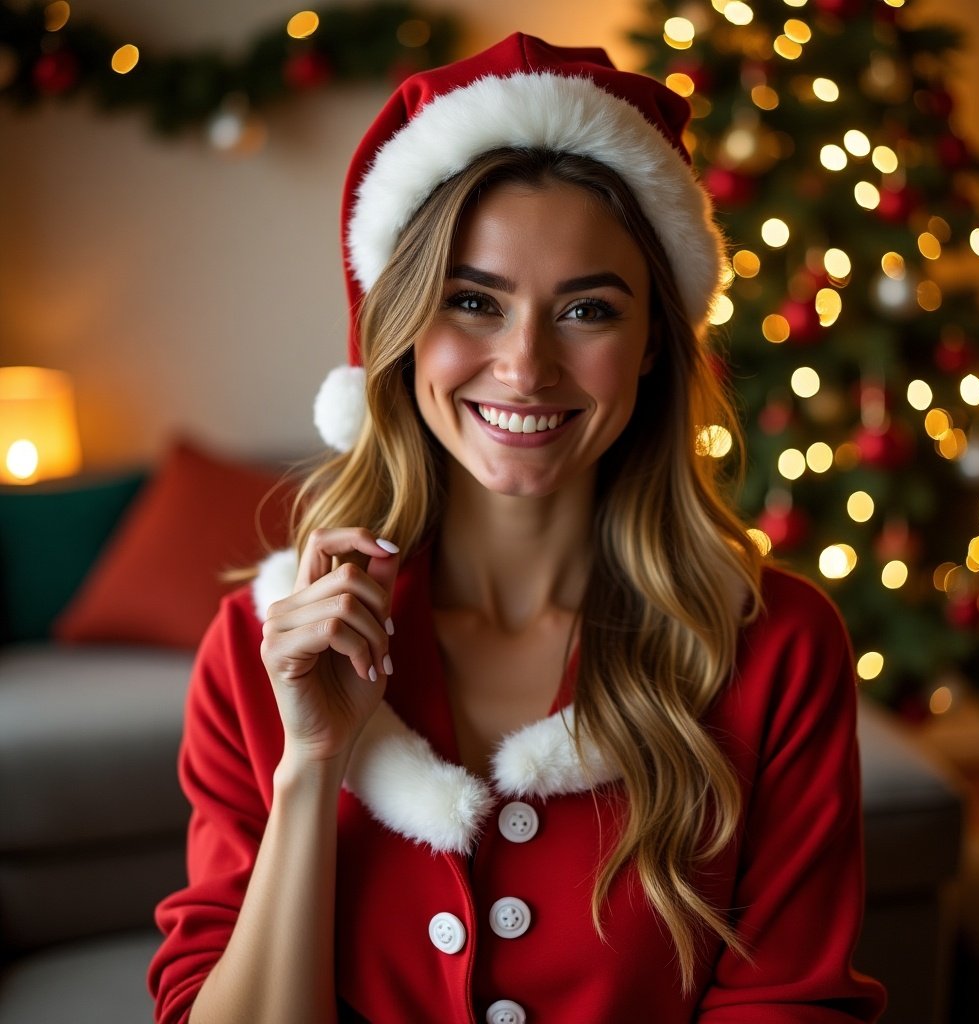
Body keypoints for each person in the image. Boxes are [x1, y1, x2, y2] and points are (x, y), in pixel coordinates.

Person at [149, 33, 887, 1024]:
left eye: (586, 309)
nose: (525, 363)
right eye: (471, 302)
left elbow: (790, 1005)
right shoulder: (265, 647)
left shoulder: (776, 647)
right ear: (399, 332)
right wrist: (311, 770)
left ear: (654, 347)